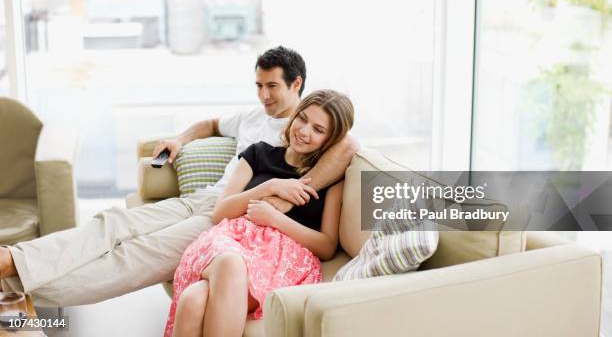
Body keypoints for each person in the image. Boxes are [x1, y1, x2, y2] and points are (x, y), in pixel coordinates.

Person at [0, 46, 359, 307]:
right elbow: (210, 124)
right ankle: (13, 260)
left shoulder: (318, 134)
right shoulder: (255, 120)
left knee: (136, 255)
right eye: (259, 86)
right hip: (207, 197)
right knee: (114, 222)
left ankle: (16, 281)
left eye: (272, 87)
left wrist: (279, 195)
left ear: (296, 85)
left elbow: (348, 146)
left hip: (230, 220)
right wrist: (180, 139)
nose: (264, 95)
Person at [165, 90, 353, 337]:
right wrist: (270, 186)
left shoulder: (329, 178)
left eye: (318, 129)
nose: (305, 131)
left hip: (280, 259)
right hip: (229, 241)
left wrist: (275, 218)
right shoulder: (259, 154)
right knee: (229, 263)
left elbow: (327, 246)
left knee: (194, 299)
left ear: (331, 139)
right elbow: (220, 212)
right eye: (302, 119)